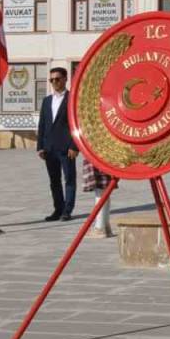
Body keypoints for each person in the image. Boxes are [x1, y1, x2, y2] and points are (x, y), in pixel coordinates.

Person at [37, 67, 78, 222]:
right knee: (54, 181)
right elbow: (42, 124)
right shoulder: (47, 100)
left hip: (67, 148)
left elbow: (77, 124)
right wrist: (40, 146)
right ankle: (58, 209)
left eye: (57, 79)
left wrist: (75, 146)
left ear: (65, 79)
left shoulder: (72, 99)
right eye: (52, 80)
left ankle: (67, 210)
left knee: (69, 179)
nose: (54, 82)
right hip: (49, 148)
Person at [80, 157, 116, 238]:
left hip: (96, 154)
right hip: (106, 154)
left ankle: (100, 228)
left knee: (100, 191)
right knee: (104, 190)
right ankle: (105, 226)